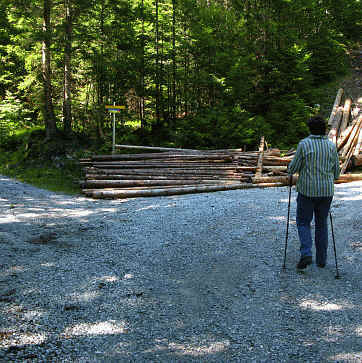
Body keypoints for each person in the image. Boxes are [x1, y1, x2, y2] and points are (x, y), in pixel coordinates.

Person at [287, 116, 340, 269]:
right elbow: (336, 173)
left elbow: (294, 168)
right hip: (326, 192)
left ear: (310, 129)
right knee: (321, 224)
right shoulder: (331, 146)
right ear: (324, 129)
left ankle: (306, 254)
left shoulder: (304, 144)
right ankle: (322, 260)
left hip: (307, 191)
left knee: (303, 222)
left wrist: (289, 169)